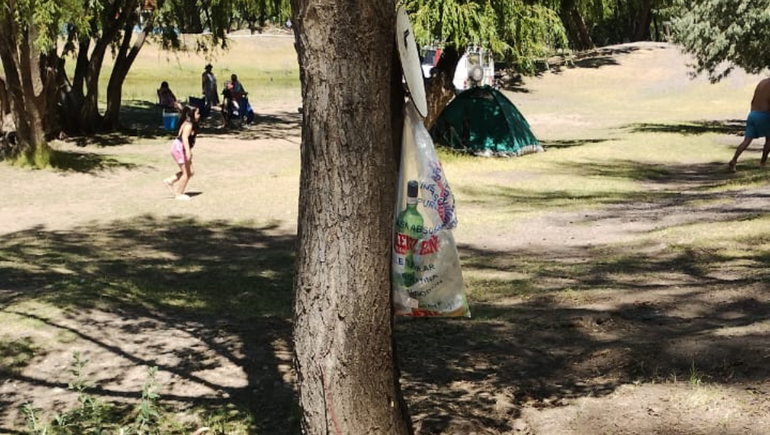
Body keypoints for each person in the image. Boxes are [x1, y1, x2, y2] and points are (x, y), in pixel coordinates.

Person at [728, 77, 770, 172]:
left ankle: (734, 160)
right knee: (769, 140)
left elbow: (753, 100)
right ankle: (762, 164)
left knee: (747, 141)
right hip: (765, 115)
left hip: (753, 114)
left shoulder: (762, 83)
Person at [164, 105, 200, 200]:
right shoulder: (188, 125)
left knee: (191, 171)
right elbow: (184, 138)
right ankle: (179, 194)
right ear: (192, 114)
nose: (199, 115)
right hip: (179, 149)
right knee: (186, 173)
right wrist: (188, 151)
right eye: (197, 113)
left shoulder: (189, 122)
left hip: (181, 148)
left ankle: (170, 180)